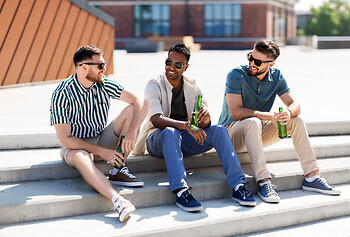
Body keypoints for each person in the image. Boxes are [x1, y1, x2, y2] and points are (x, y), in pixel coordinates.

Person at [133, 43, 256, 212]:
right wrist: (186, 125)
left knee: (219, 129)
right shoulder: (154, 84)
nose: (171, 67)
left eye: (178, 65)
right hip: (157, 139)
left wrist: (205, 120)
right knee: (171, 132)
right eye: (168, 62)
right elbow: (156, 119)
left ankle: (238, 186)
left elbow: (203, 123)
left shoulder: (194, 86)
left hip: (185, 138)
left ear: (186, 67)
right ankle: (181, 191)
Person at [218, 39, 341, 204]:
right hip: (230, 133)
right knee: (253, 122)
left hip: (256, 131)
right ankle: (264, 182)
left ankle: (311, 177)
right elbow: (236, 112)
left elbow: (295, 104)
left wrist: (288, 113)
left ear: (271, 63)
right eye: (250, 57)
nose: (251, 63)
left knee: (296, 121)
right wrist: (267, 116)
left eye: (257, 61)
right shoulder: (235, 75)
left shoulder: (276, 76)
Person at [50, 46, 148, 222]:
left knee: (133, 110)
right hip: (75, 146)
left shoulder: (103, 83)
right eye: (100, 65)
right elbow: (66, 139)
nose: (104, 69)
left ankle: (118, 168)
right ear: (84, 68)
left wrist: (133, 131)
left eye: (105, 64)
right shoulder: (62, 93)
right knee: (82, 157)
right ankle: (118, 201)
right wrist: (102, 152)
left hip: (102, 137)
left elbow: (141, 101)